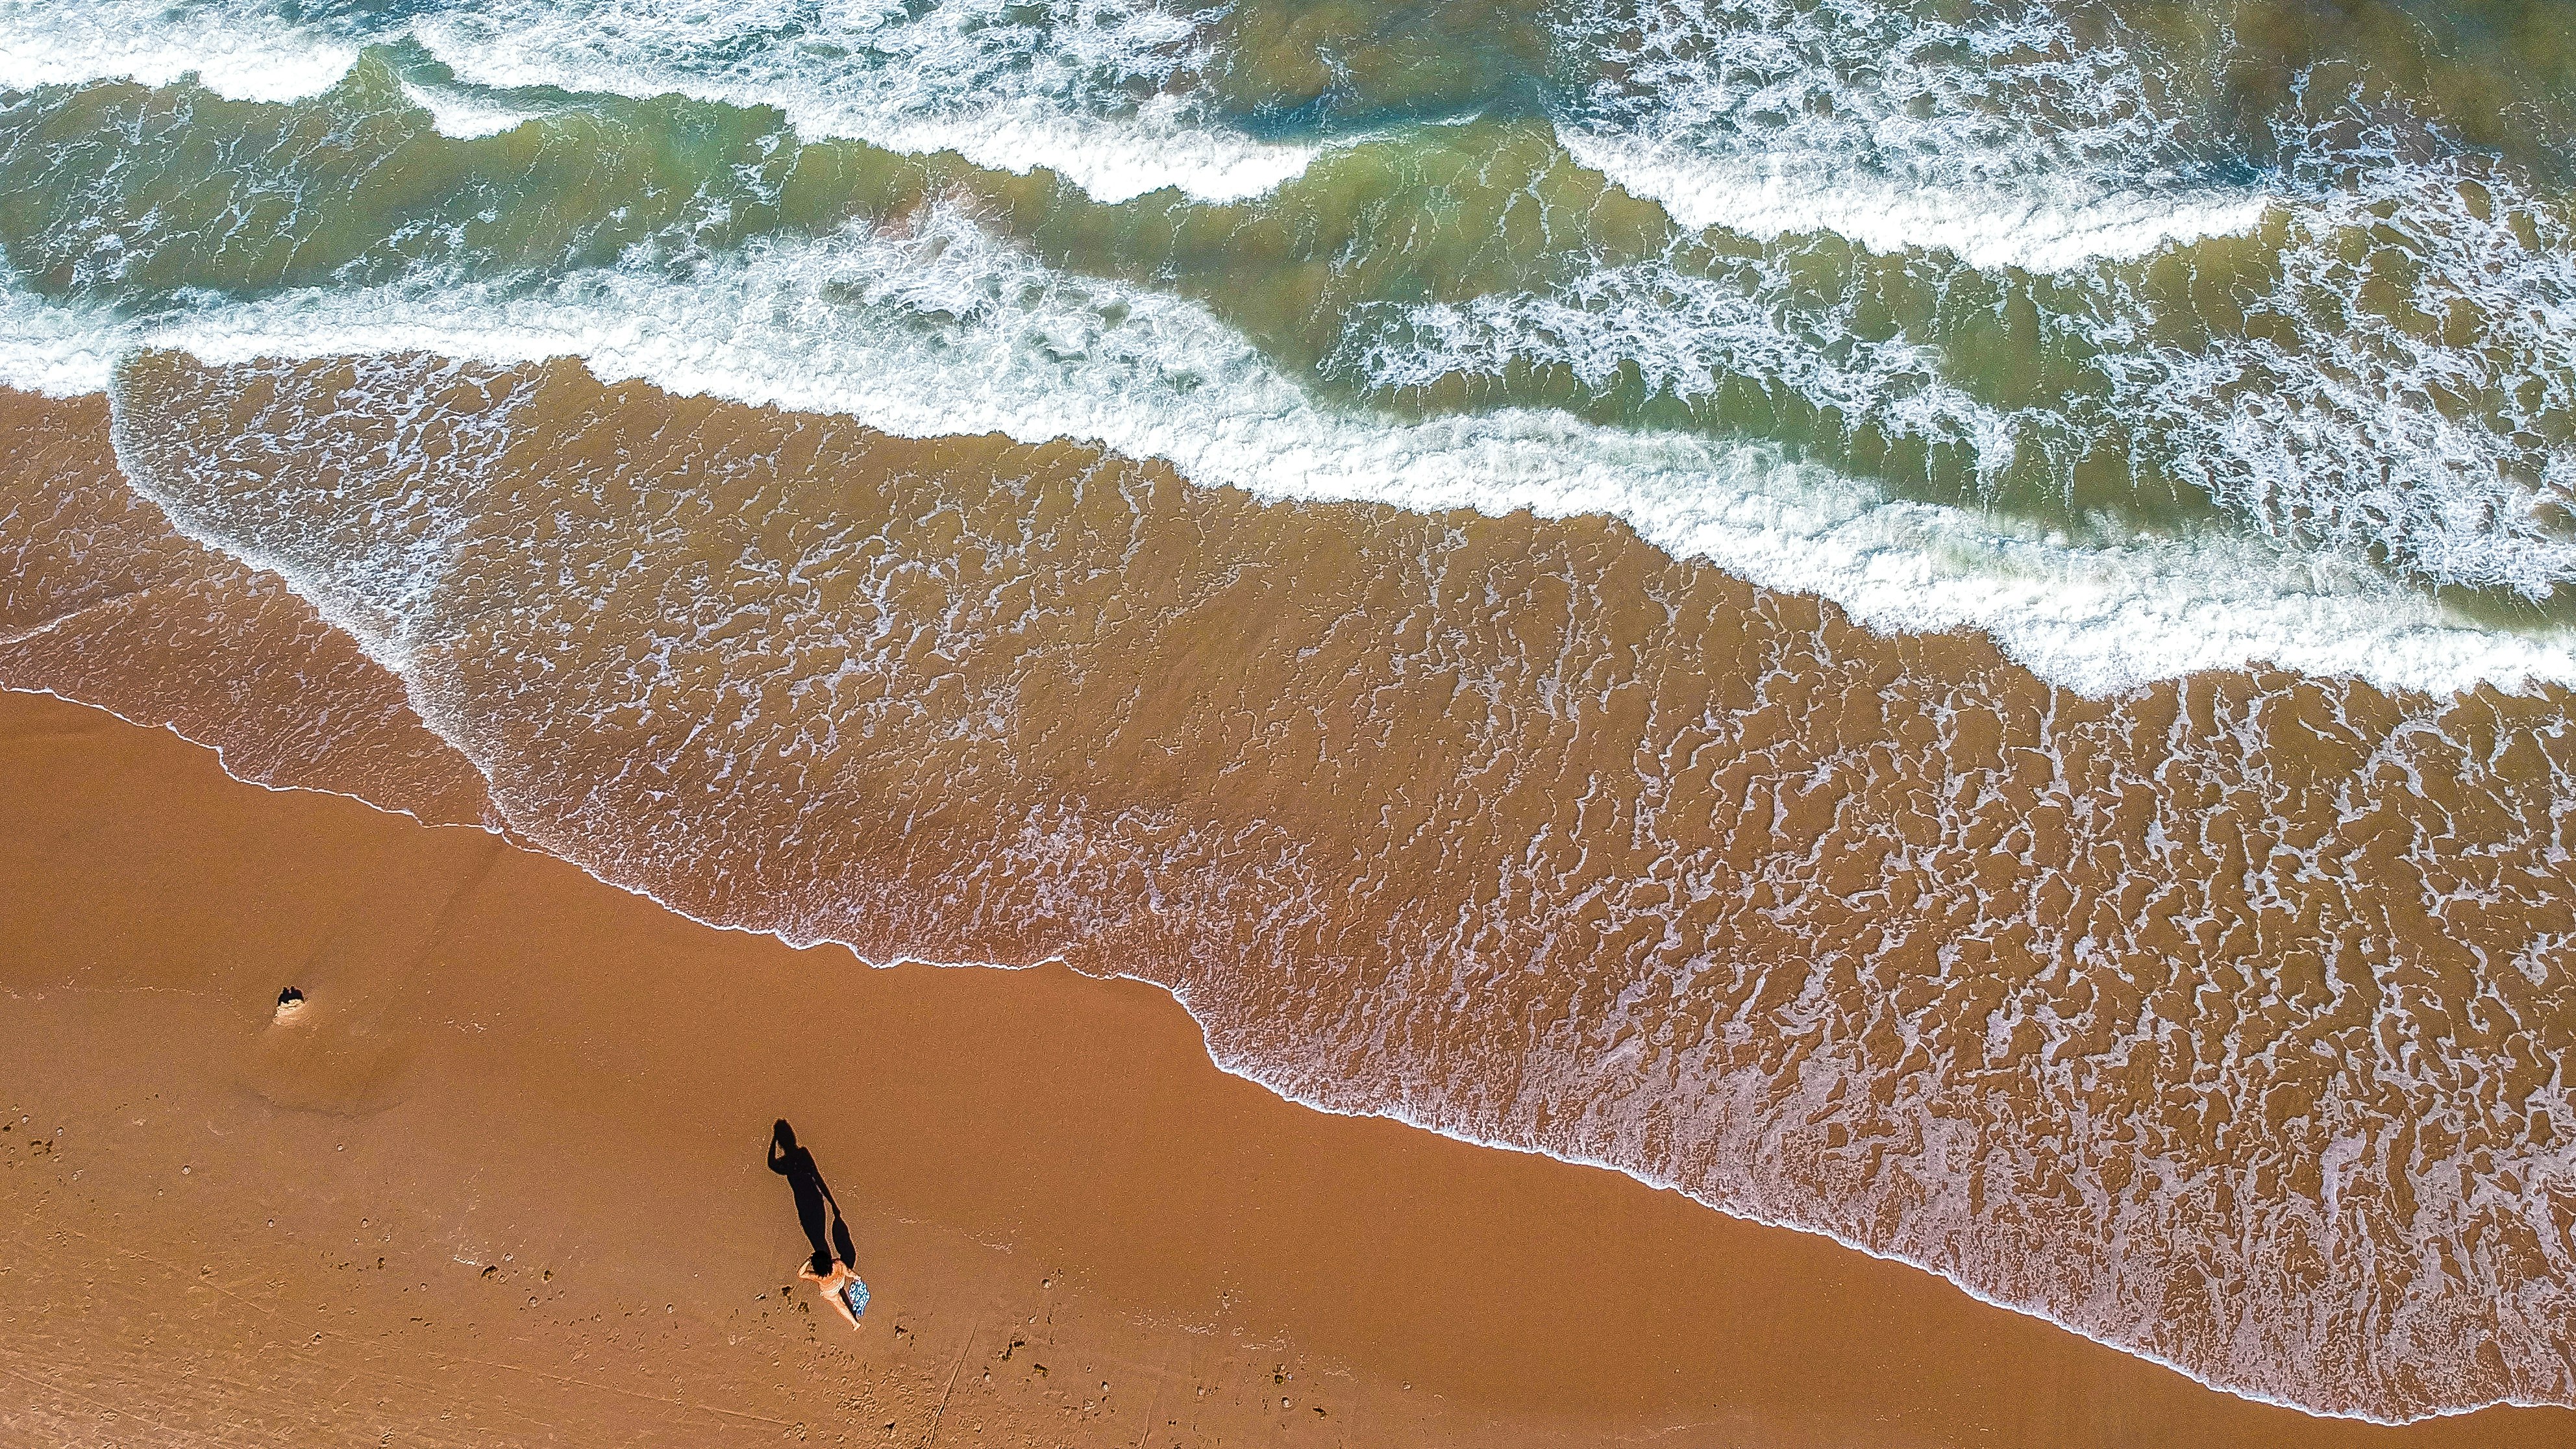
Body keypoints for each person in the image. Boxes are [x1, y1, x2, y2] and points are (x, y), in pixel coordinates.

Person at [768, 1119, 864, 1329]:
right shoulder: (802, 1155)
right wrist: (832, 1202)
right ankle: (828, 1266)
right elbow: (818, 1179)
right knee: (821, 1241)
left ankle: (850, 1314)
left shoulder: (787, 1164)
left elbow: (771, 1164)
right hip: (817, 1203)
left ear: (783, 1142)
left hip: (804, 1206)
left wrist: (774, 1140)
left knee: (818, 1241)